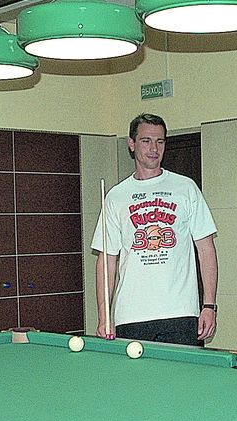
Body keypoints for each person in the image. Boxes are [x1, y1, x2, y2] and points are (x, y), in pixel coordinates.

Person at [92, 113, 218, 346]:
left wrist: (209, 306)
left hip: (181, 314)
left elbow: (206, 249)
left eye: (160, 141)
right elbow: (107, 260)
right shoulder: (116, 197)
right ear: (131, 144)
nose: (154, 148)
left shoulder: (185, 188)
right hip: (131, 316)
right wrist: (104, 316)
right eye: (146, 141)